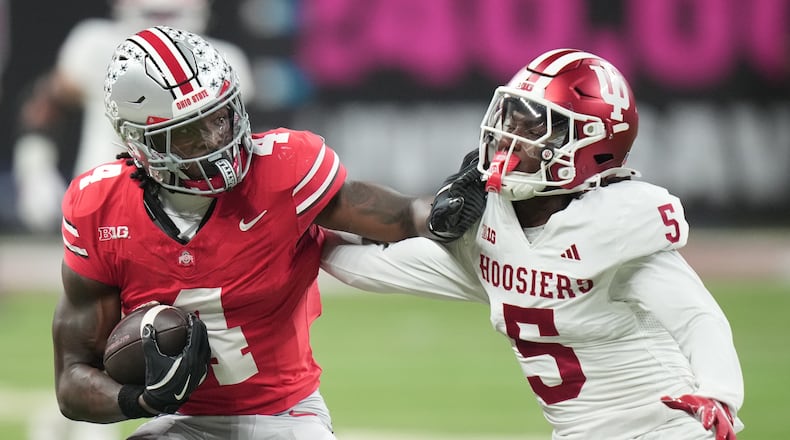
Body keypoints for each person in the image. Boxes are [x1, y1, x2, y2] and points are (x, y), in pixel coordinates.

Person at [52, 25, 473, 440]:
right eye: (188, 135)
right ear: (141, 144)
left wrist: (441, 210)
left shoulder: (284, 168)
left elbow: (398, 215)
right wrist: (140, 401)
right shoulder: (99, 206)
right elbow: (72, 379)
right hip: (181, 422)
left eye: (219, 118)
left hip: (288, 416)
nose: (216, 140)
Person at [321, 48, 745, 439]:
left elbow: (696, 316)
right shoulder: (489, 225)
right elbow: (382, 266)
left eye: (536, 127)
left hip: (667, 428)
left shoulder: (614, 223)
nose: (509, 137)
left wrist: (719, 392)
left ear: (591, 145)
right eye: (511, 120)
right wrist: (307, 240)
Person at [13, 0, 254, 233]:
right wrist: (34, 169)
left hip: (195, 204)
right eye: (155, 16)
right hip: (103, 205)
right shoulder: (95, 45)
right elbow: (45, 105)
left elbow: (241, 137)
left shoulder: (221, 59)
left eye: (169, 17)